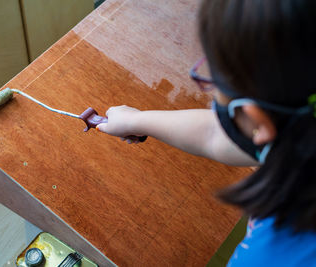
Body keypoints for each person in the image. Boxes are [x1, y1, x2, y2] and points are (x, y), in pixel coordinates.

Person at [96, 0, 316, 265]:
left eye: (211, 83)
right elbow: (217, 134)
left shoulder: (270, 256)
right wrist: (137, 120)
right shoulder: (301, 125)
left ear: (259, 123)